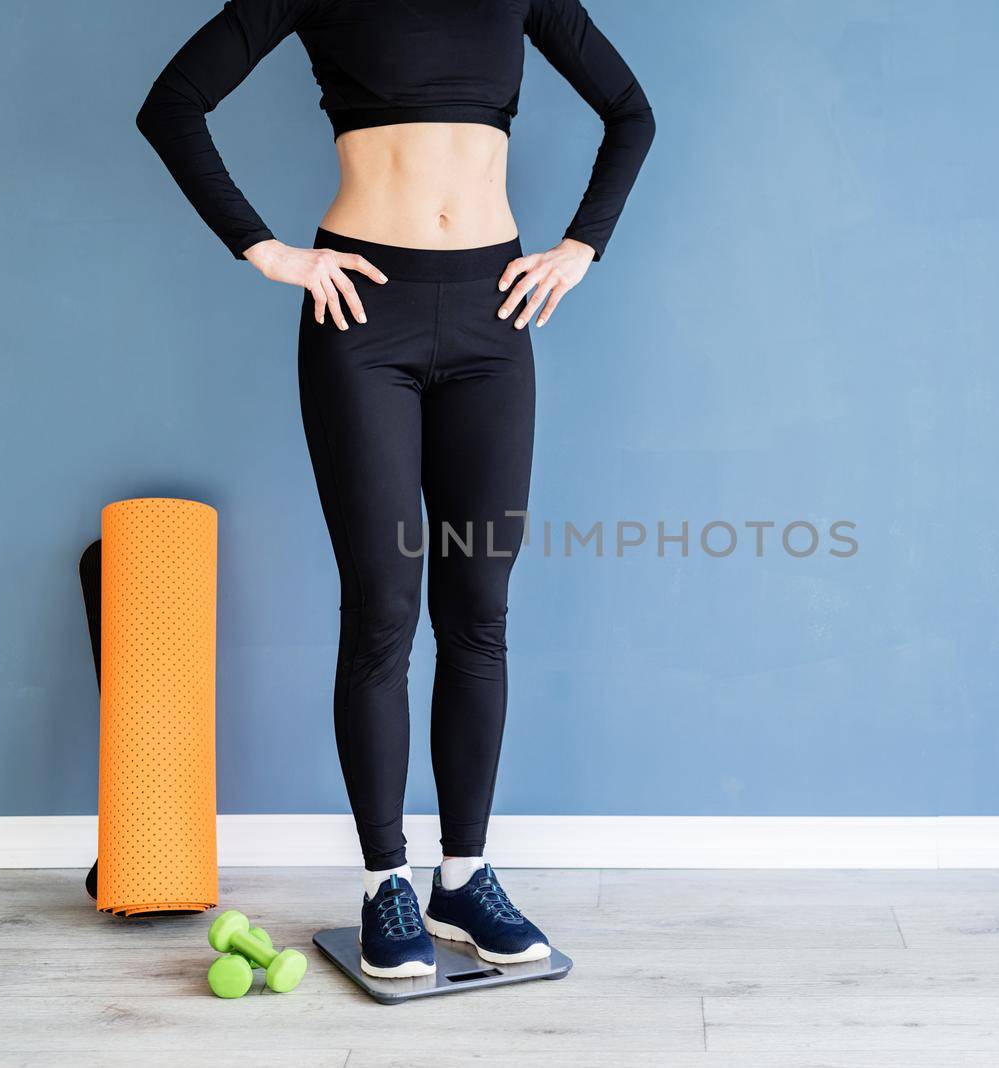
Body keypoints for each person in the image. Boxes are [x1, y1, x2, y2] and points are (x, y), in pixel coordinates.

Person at [136, 0, 653, 978]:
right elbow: (173, 105)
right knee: (382, 610)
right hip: (362, 320)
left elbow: (631, 110)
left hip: (493, 322)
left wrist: (583, 243)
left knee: (478, 612)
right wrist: (267, 249)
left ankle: (464, 876)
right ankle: (385, 884)